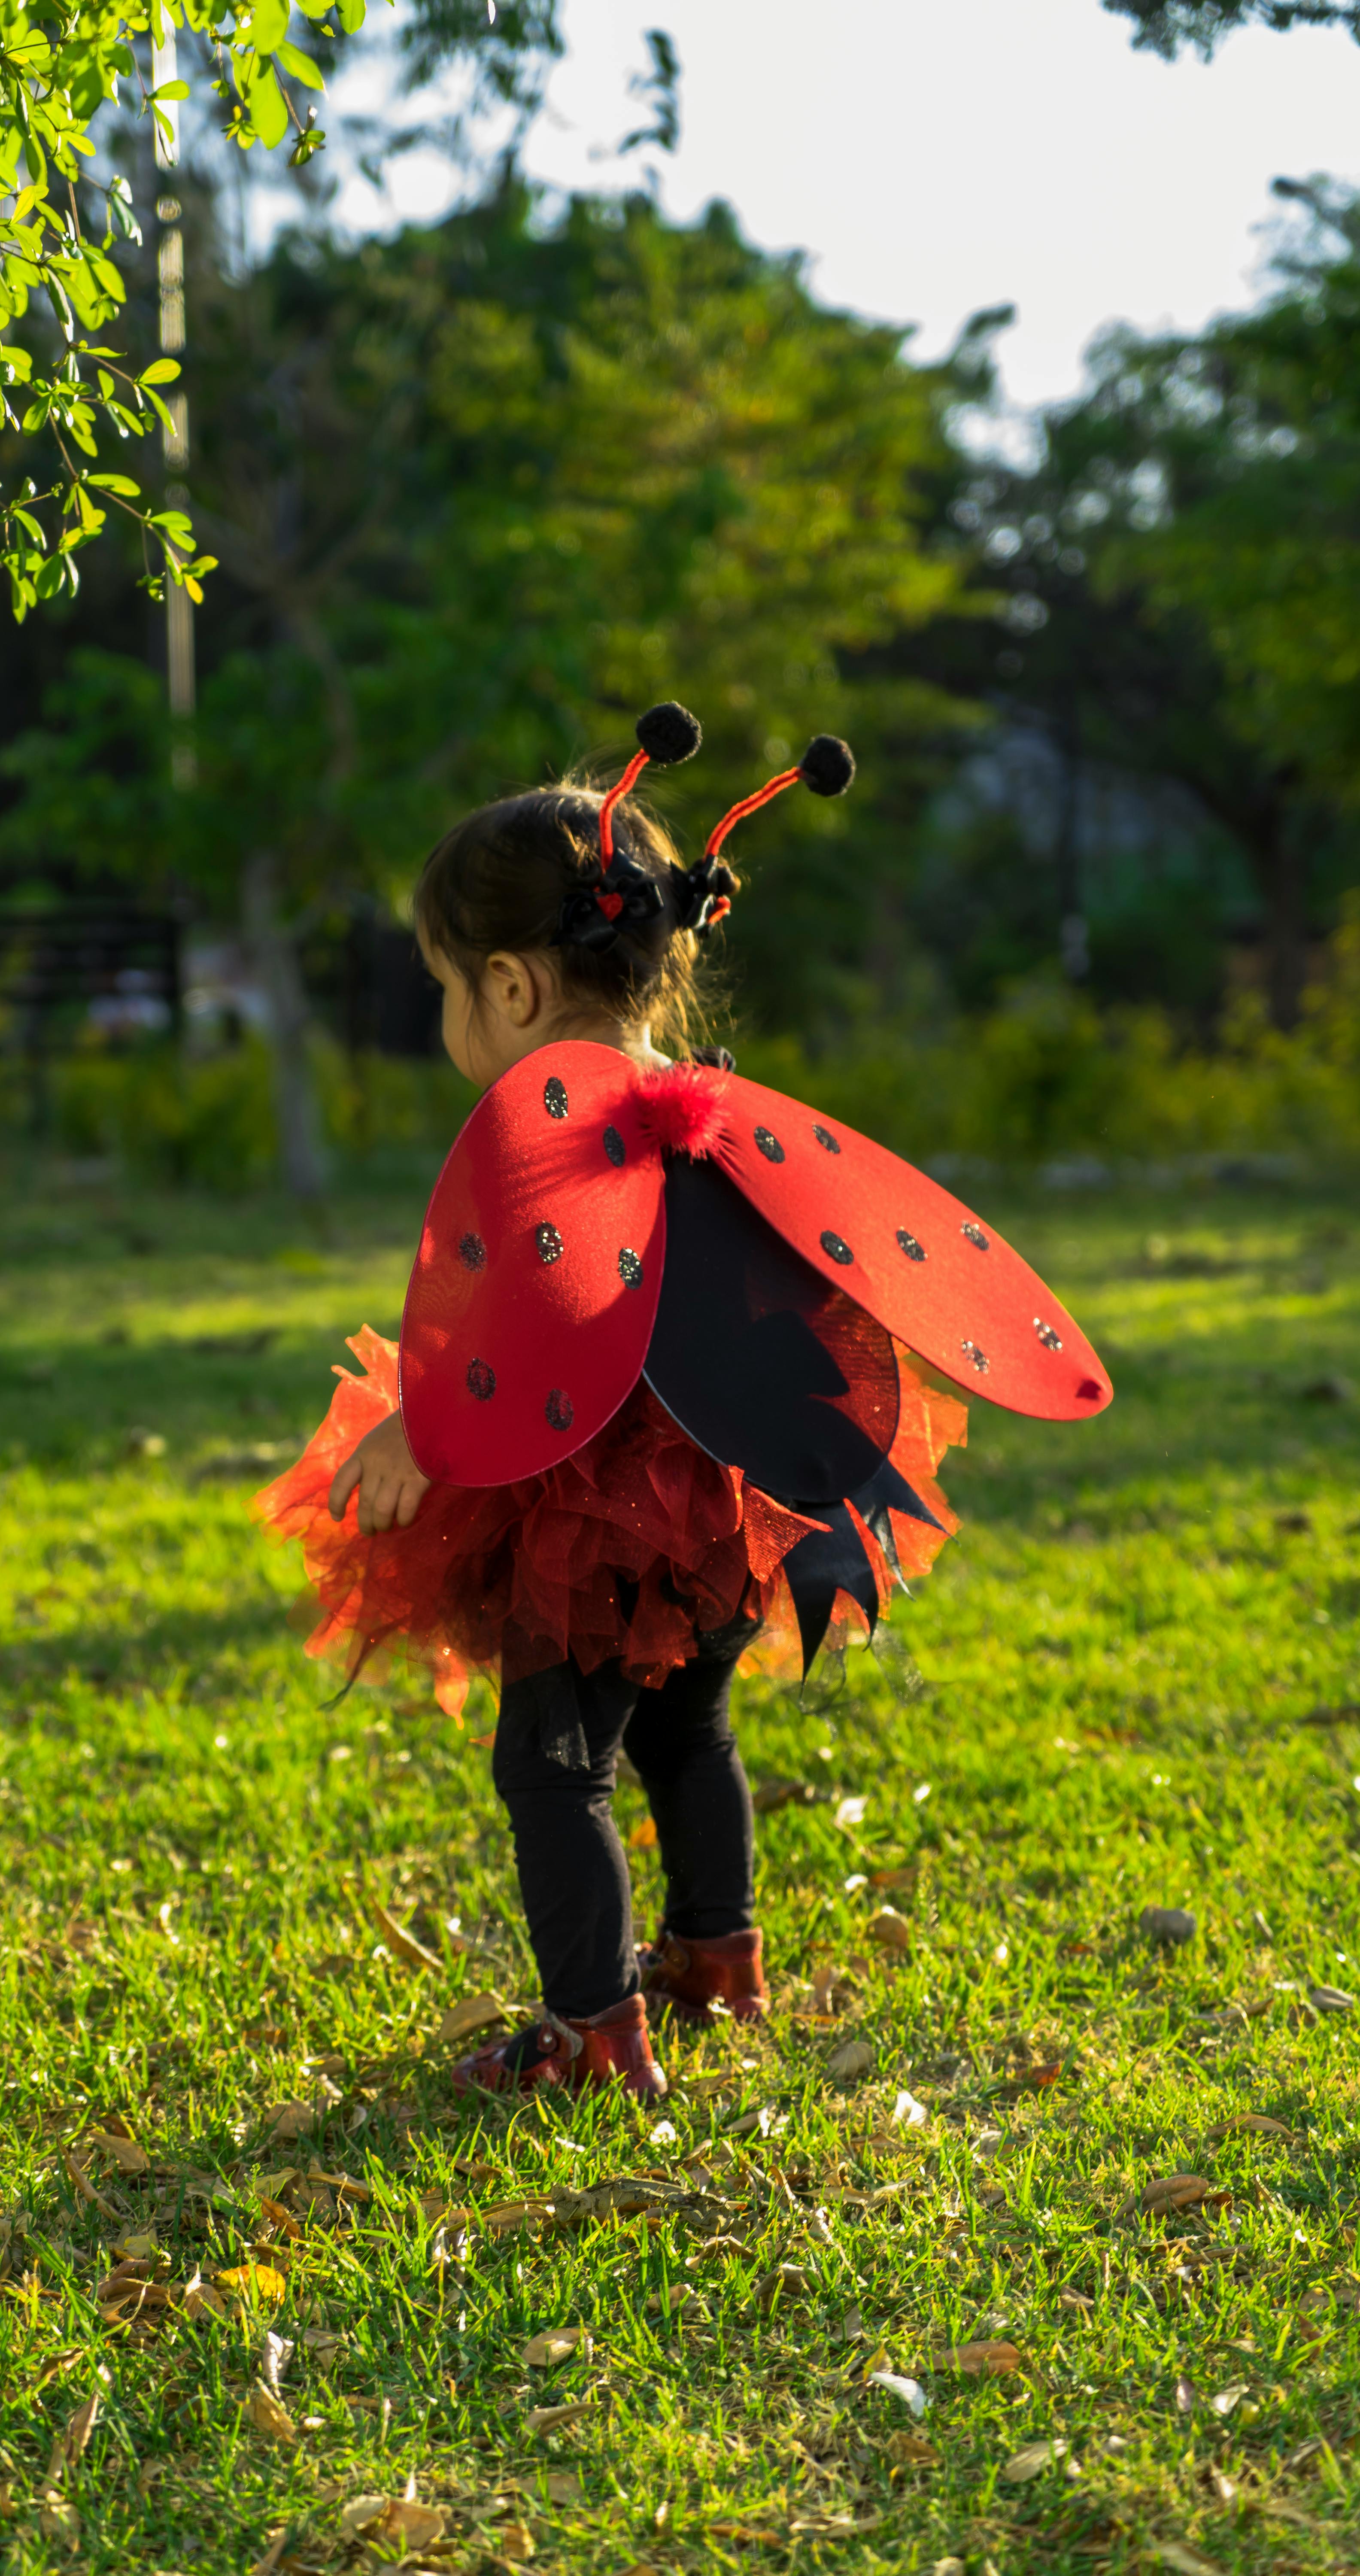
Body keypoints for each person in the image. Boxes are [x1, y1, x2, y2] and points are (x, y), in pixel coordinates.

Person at [256, 704, 1110, 2103]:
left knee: (554, 1768)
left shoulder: (553, 1120)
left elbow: (542, 1309)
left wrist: (427, 1425)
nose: (453, 1020)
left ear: (516, 989)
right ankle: (718, 1962)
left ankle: (595, 2037)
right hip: (729, 1496)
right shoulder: (718, 1108)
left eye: (448, 987)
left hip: (581, 1498)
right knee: (687, 1727)